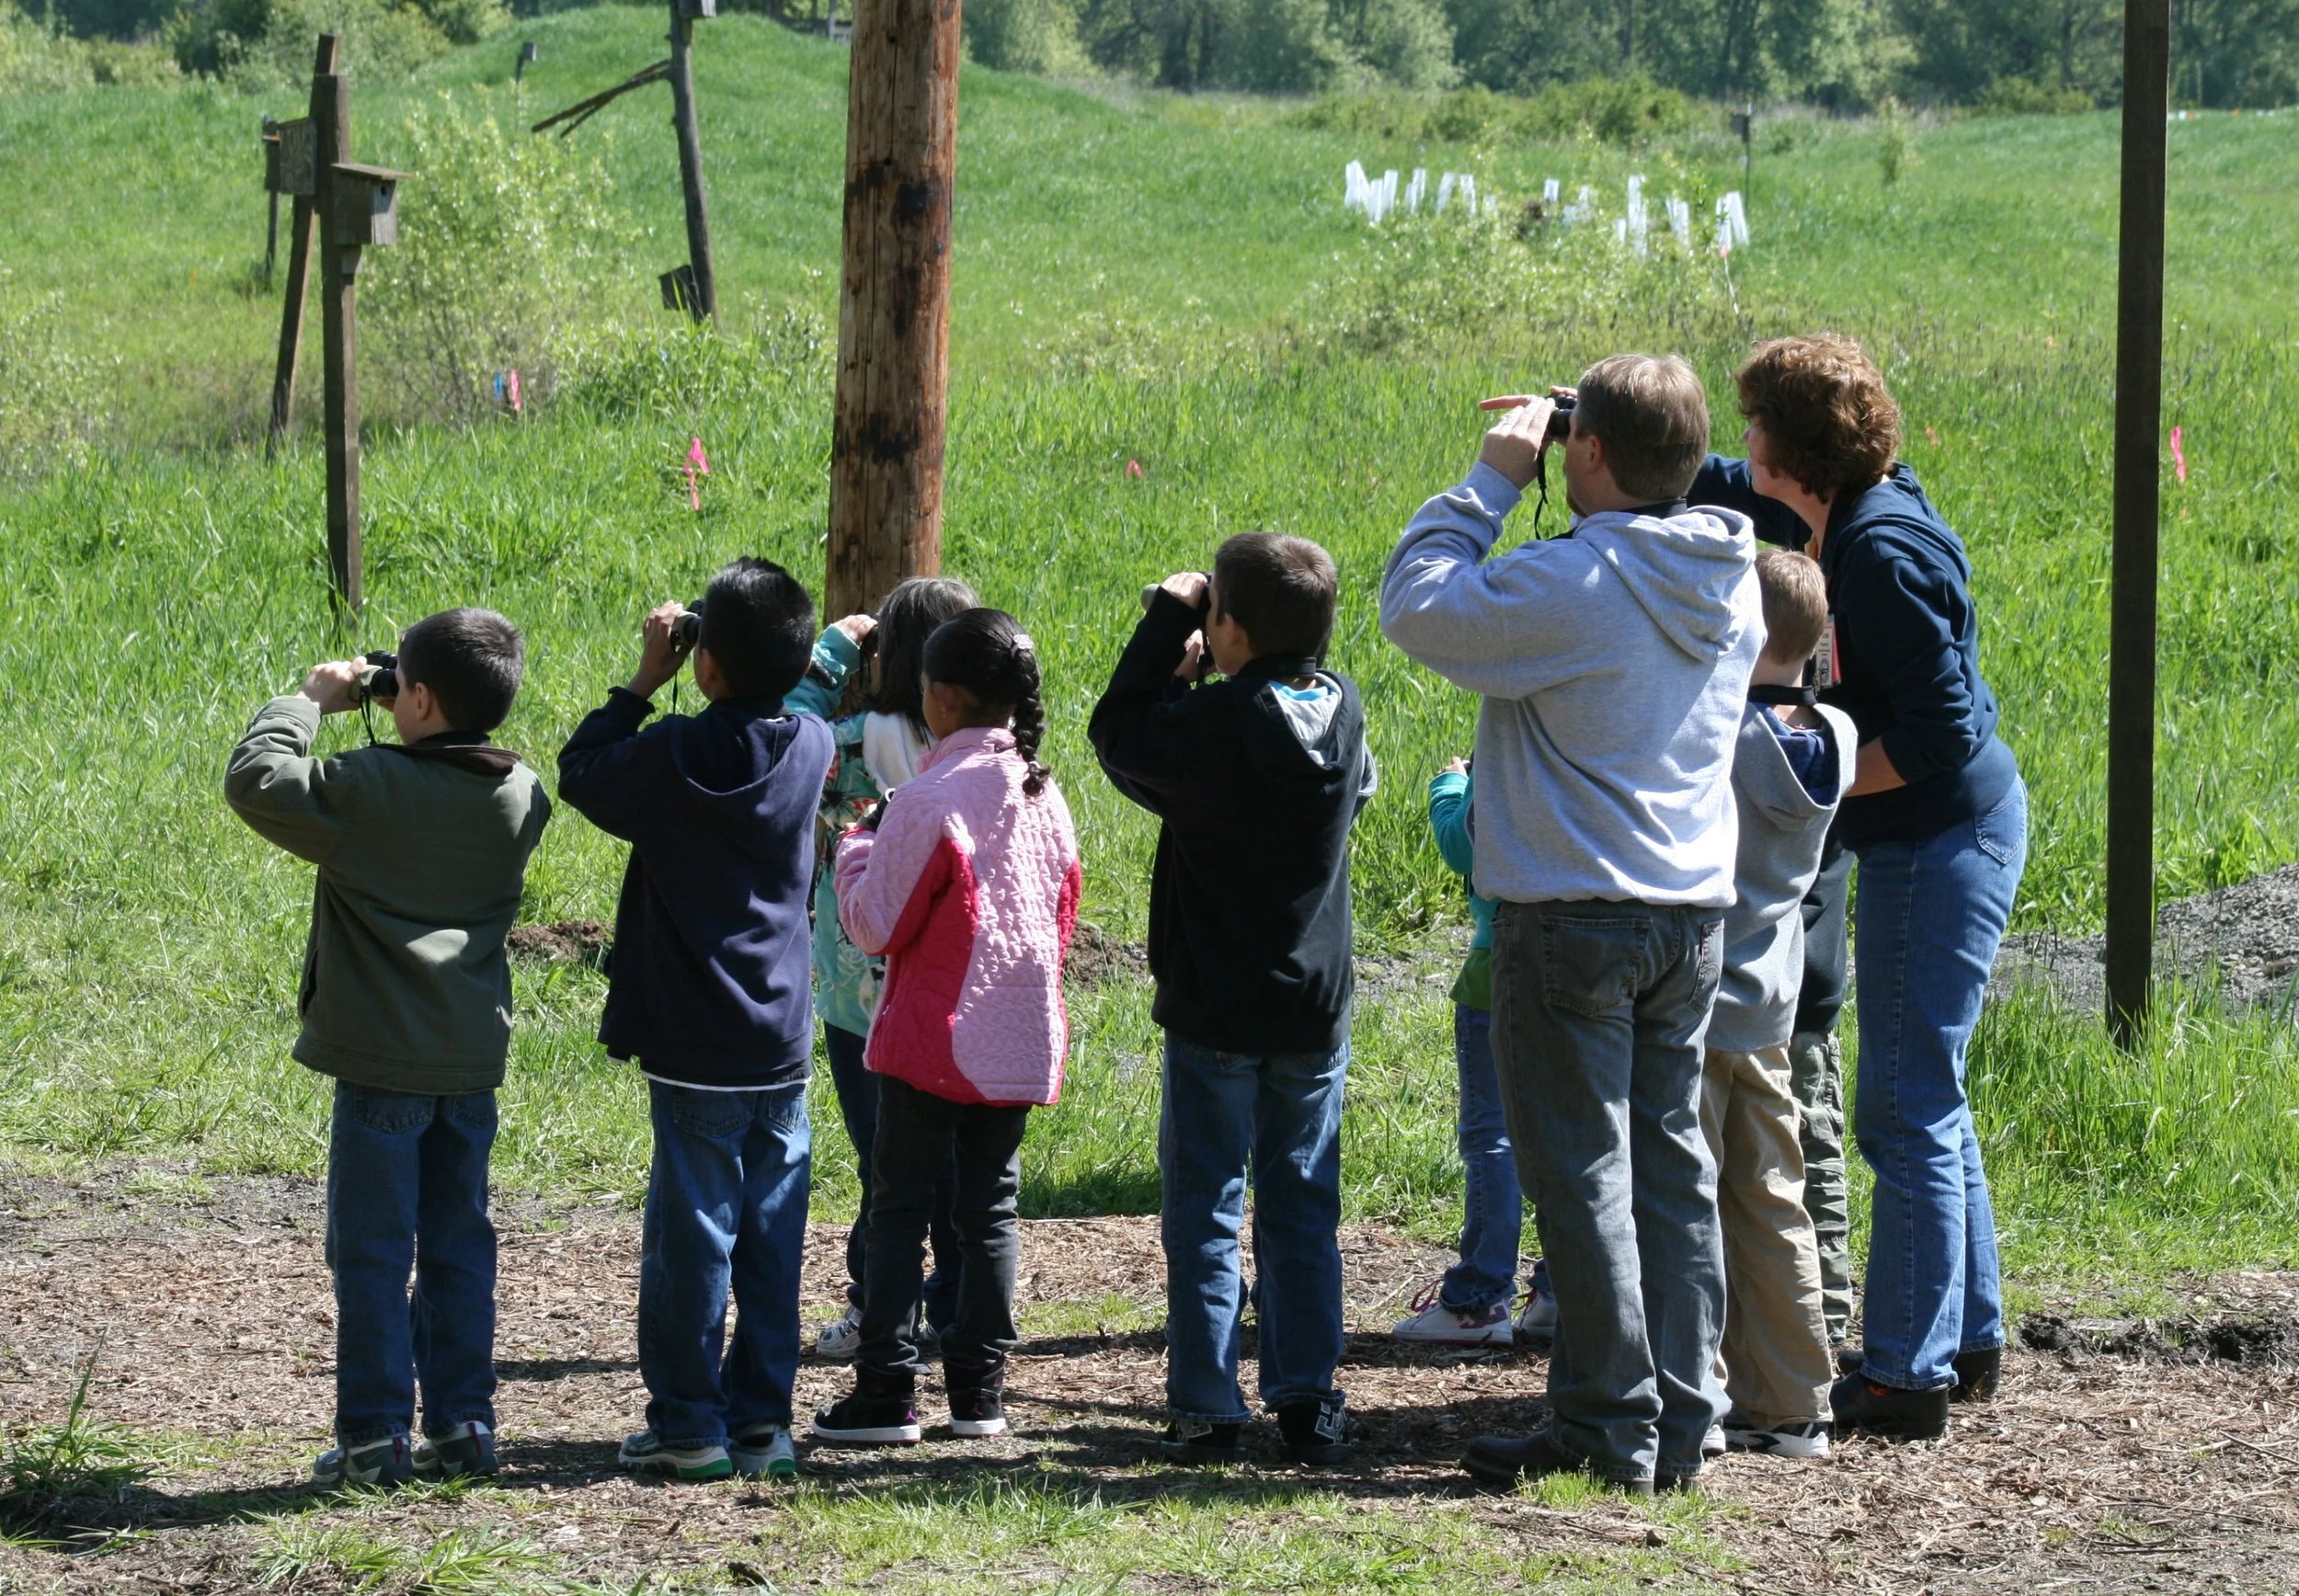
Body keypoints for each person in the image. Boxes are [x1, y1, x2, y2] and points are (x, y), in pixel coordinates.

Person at [1381, 355, 1763, 1495]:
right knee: (1668, 1169)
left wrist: (1493, 479)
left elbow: (1416, 606)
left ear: (1584, 451)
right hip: (1688, 914)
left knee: (1583, 1173)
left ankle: (1604, 1423)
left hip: (1569, 915)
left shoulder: (1578, 581)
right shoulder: (1728, 572)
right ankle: (1684, 1419)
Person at [1693, 334, 2027, 1441]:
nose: (1744, 448)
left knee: (1902, 1105)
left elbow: (1941, 729)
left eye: (1754, 427)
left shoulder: (1876, 555)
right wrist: (1585, 421)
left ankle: (1903, 1374)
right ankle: (1964, 1337)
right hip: (1941, 830)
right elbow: (1729, 482)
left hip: (1937, 841)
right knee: (1929, 1089)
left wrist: (1815, 787)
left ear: (1797, 455)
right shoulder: (1863, 497)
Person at [224, 609, 550, 1489]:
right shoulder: (524, 794)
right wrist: (396, 691)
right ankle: (464, 1423)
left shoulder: (366, 788)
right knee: (457, 1244)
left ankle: (374, 1434)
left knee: (371, 1252)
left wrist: (307, 702)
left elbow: (256, 780)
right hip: (469, 1060)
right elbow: (449, 765)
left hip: (378, 1062)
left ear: (420, 696)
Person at [1090, 533, 1377, 1468]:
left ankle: (1208, 1402)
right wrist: (1205, 657)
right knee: (1302, 1204)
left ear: (1232, 632)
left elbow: (1118, 733)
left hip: (1216, 1003)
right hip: (1310, 1004)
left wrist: (1169, 619)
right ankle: (1307, 1396)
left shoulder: (1212, 725)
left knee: (1208, 1205)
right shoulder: (1344, 711)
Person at [556, 557, 832, 1483]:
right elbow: (802, 691)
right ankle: (762, 1422)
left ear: (702, 664)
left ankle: (687, 1422)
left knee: (691, 1239)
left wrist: (642, 678)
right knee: (770, 1233)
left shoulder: (668, 753)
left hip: (691, 1043)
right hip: (780, 1038)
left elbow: (580, 771)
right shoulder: (814, 749)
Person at [811, 608, 1081, 1446]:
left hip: (934, 1035)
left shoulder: (928, 800)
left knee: (900, 1205)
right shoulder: (1048, 796)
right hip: (1019, 1032)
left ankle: (887, 1391)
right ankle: (979, 1393)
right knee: (987, 1209)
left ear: (942, 695)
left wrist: (857, 848)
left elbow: (872, 926)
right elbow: (1063, 914)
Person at [785, 576, 979, 1363]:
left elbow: (781, 730)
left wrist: (830, 655)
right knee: (960, 1167)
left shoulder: (852, 742)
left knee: (883, 1165)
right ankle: (959, 1305)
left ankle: (878, 1310)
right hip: (960, 987)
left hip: (858, 992)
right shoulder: (992, 750)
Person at [1704, 550, 1857, 1459]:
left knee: (1688, 1198)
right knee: (1773, 1197)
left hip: (1698, 998)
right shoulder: (1831, 736)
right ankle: (1798, 1396)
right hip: (1772, 1002)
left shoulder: (1723, 739)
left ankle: (1704, 1388)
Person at [1390, 756, 1557, 1348]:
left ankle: (1479, 1302)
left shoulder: (1514, 736)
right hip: (1587, 963)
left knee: (1495, 1136)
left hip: (1499, 969)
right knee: (1572, 1134)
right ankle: (1560, 1295)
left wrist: (1451, 783)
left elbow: (1465, 847)